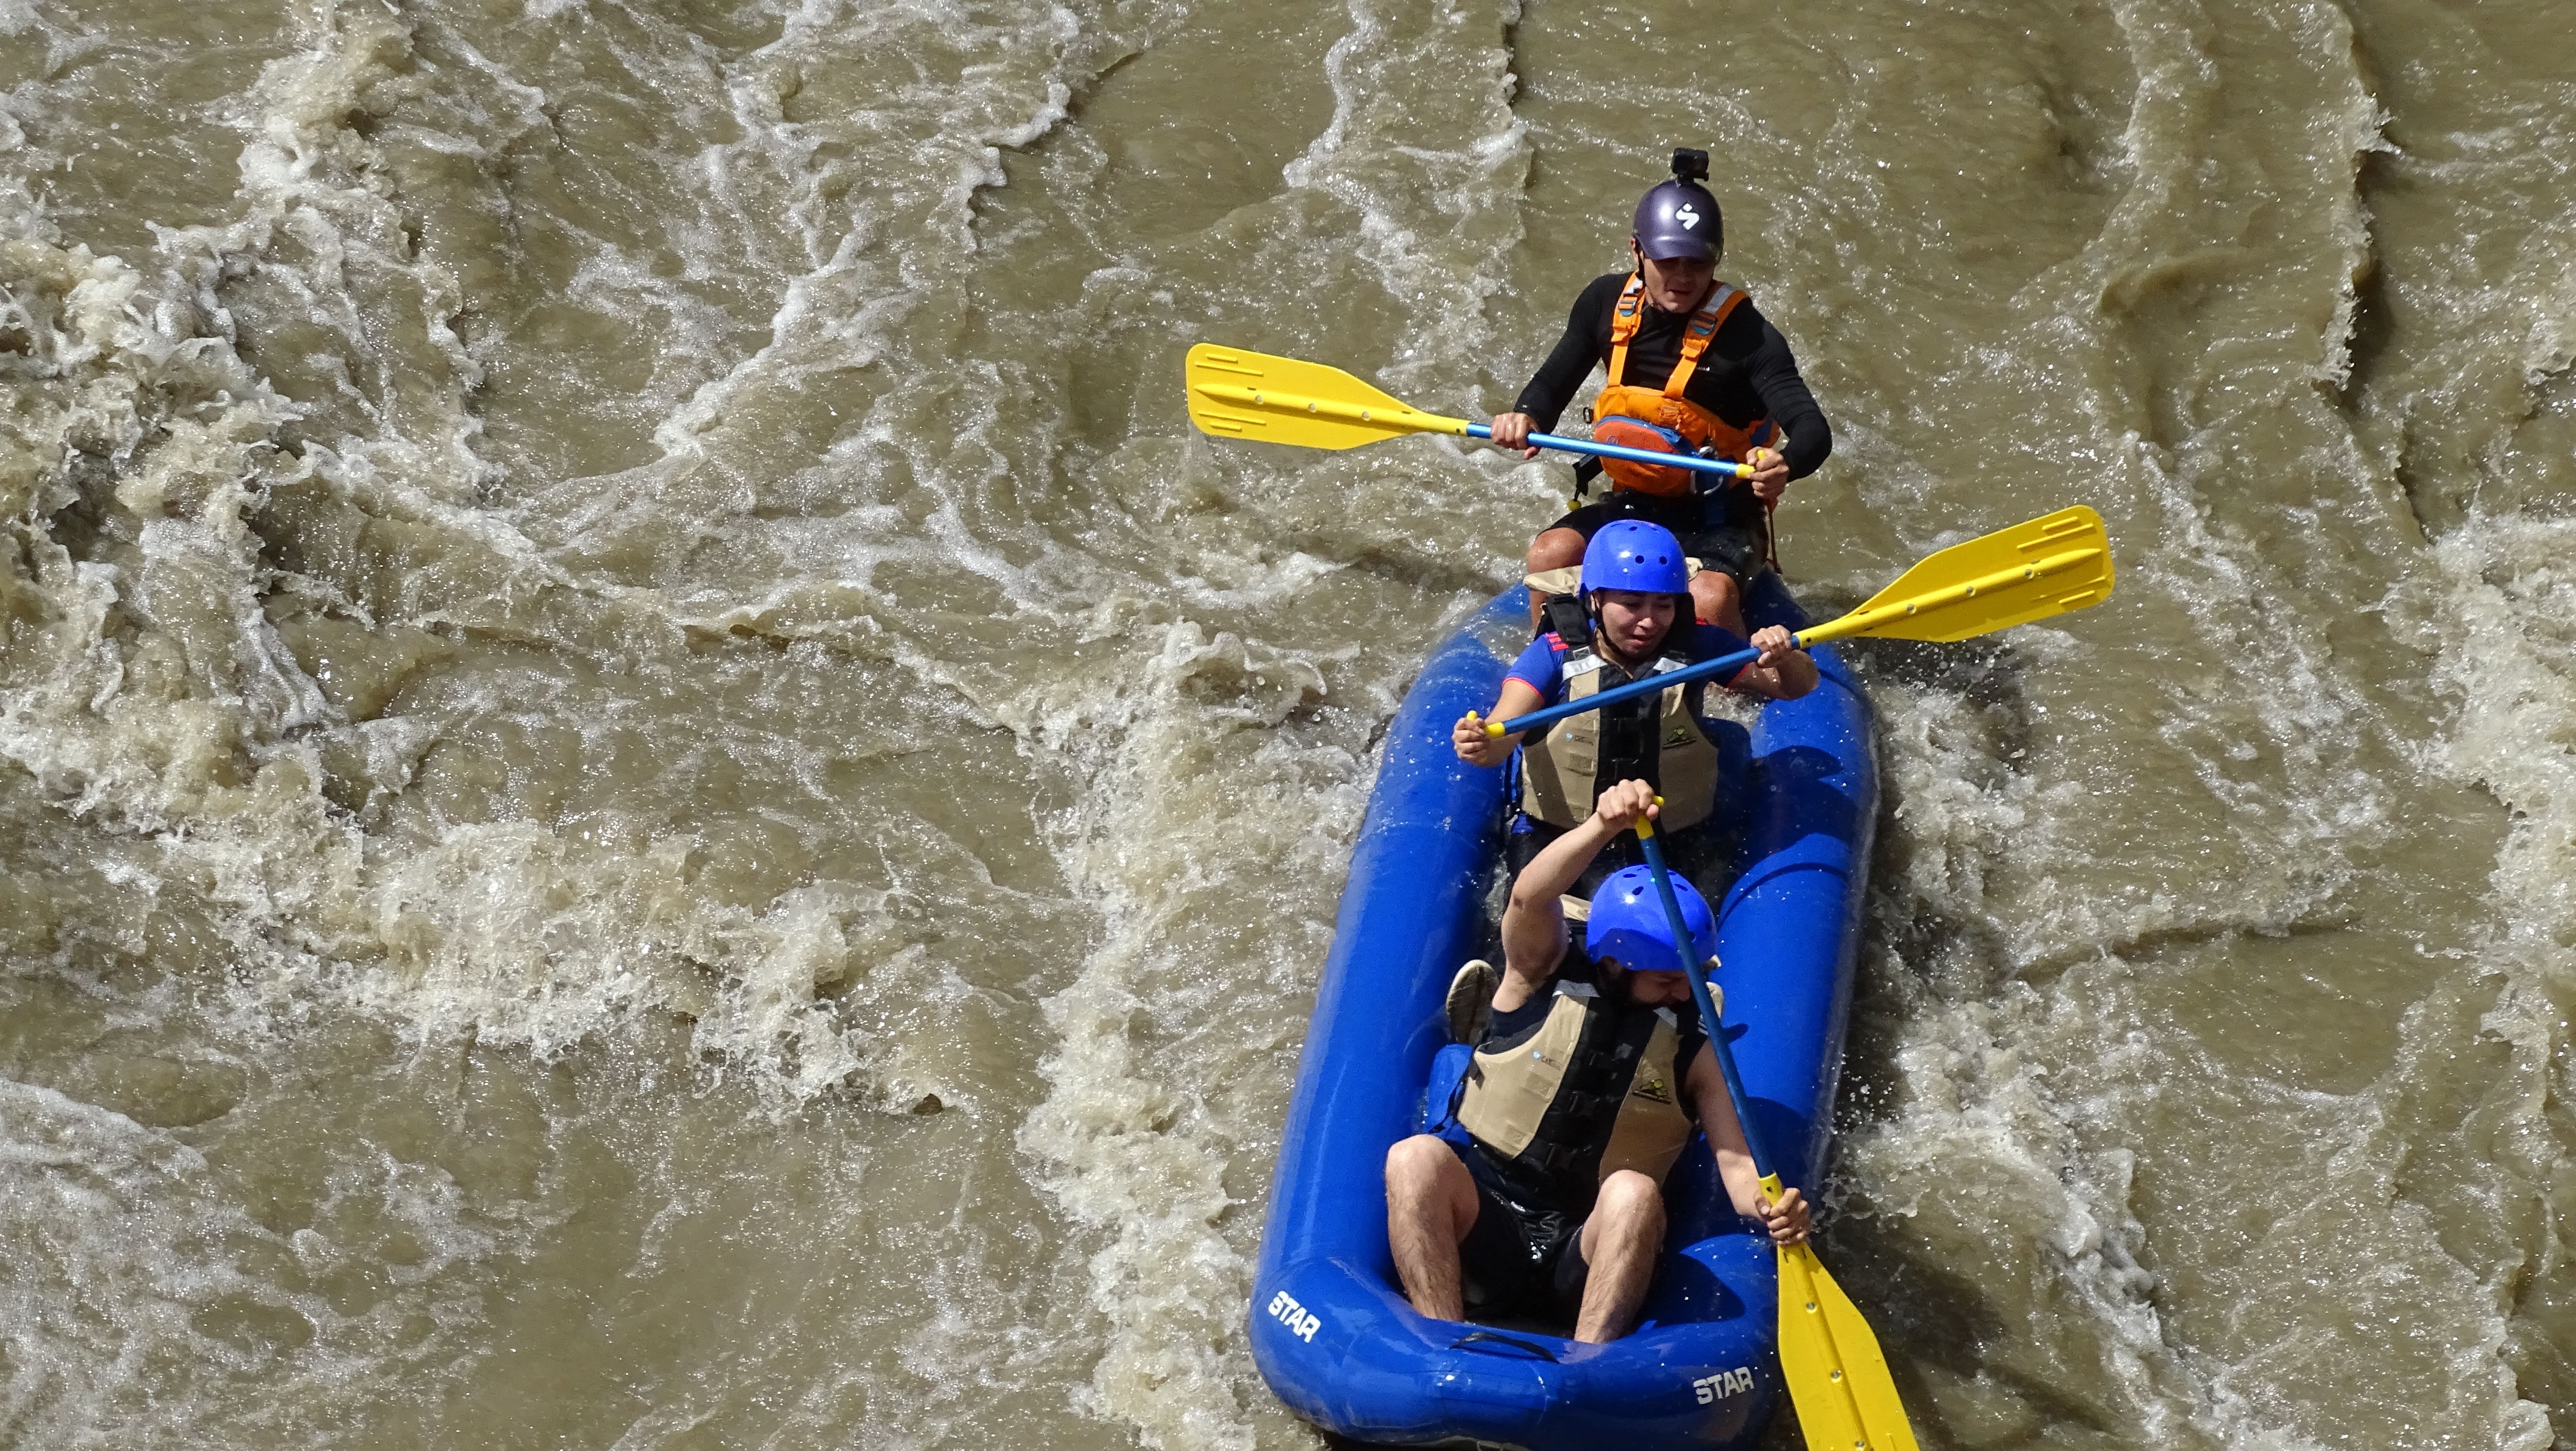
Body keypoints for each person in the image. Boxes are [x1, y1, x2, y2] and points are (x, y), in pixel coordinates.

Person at [1384, 780, 1810, 1343]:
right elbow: (1529, 899)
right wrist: (1602, 826)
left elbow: (1736, 1166)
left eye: (1694, 980)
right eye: (1667, 981)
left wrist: (1772, 1206)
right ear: (1614, 962)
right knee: (1414, 1158)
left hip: (1584, 1248)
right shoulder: (1537, 974)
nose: (1686, 995)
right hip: (1488, 1221)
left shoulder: (1694, 1046)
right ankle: (1439, 1347)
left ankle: (1587, 1374)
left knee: (1634, 1191)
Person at [1491, 148, 1833, 637]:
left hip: (1721, 516)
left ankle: (1729, 696)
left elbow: (1811, 429)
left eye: (1698, 262)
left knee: (1708, 598)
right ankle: (1556, 669)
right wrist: (1525, 417)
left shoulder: (1748, 336)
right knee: (1550, 556)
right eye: (1667, 260)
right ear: (1637, 251)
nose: (1683, 276)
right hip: (1634, 499)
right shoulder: (1604, 303)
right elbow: (1549, 387)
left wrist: (1787, 465)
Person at [1452, 519, 1816, 889]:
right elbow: (1500, 739)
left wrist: (1784, 657)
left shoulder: (1699, 645)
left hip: (1673, 837)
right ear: (1595, 599)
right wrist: (1479, 743)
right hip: (1563, 837)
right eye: (1631, 604)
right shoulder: (1553, 653)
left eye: (1663, 604)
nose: (1648, 621)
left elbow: (1794, 688)